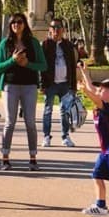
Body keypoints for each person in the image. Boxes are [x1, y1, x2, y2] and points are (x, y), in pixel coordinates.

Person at [0, 12, 47, 171]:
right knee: (10, 122)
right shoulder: (5, 43)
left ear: (25, 24)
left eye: (19, 22)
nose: (16, 25)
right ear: (10, 26)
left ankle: (33, 158)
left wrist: (27, 64)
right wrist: (12, 60)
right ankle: (5, 158)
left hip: (29, 86)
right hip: (10, 86)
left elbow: (43, 66)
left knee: (30, 123)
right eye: (13, 22)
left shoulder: (33, 43)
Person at [77, 68, 109, 217]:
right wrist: (85, 74)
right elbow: (94, 91)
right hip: (106, 149)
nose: (100, 90)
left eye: (104, 89)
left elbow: (94, 97)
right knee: (97, 175)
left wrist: (85, 90)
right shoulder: (101, 103)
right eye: (100, 88)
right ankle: (101, 206)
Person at [40, 18, 77, 147]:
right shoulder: (45, 45)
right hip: (50, 84)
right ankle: (46, 136)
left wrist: (73, 86)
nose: (56, 30)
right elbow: (41, 67)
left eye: (58, 28)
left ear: (63, 30)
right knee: (47, 110)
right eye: (53, 28)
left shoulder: (68, 45)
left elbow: (72, 65)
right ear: (50, 30)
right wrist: (42, 85)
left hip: (65, 84)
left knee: (65, 111)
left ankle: (65, 136)